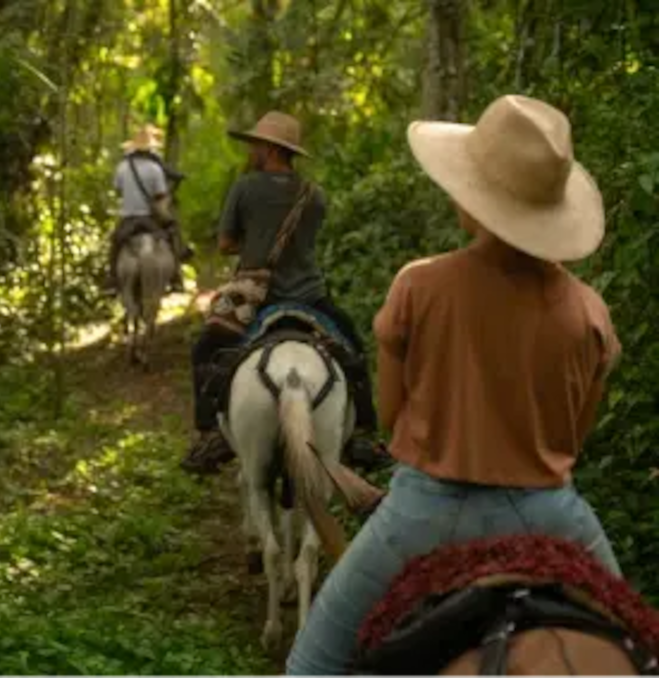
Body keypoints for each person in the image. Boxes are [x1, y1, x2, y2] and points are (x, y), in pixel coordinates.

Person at [285, 94, 622, 677]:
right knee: (633, 636)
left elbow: (392, 415)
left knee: (310, 668)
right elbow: (575, 435)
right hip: (552, 516)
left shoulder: (419, 287)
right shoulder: (590, 313)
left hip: (425, 512)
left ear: (475, 202)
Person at [182, 111, 380, 475]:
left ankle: (209, 434)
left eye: (257, 144)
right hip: (309, 296)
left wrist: (253, 243)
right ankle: (361, 435)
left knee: (205, 350)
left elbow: (226, 243)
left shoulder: (244, 188)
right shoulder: (314, 195)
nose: (253, 150)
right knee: (354, 348)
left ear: (269, 149)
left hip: (258, 301)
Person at [103, 124, 192, 294]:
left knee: (115, 242)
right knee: (172, 233)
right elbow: (160, 195)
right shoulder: (155, 168)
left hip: (127, 218)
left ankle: (112, 278)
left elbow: (118, 190)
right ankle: (176, 277)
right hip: (149, 220)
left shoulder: (122, 167)